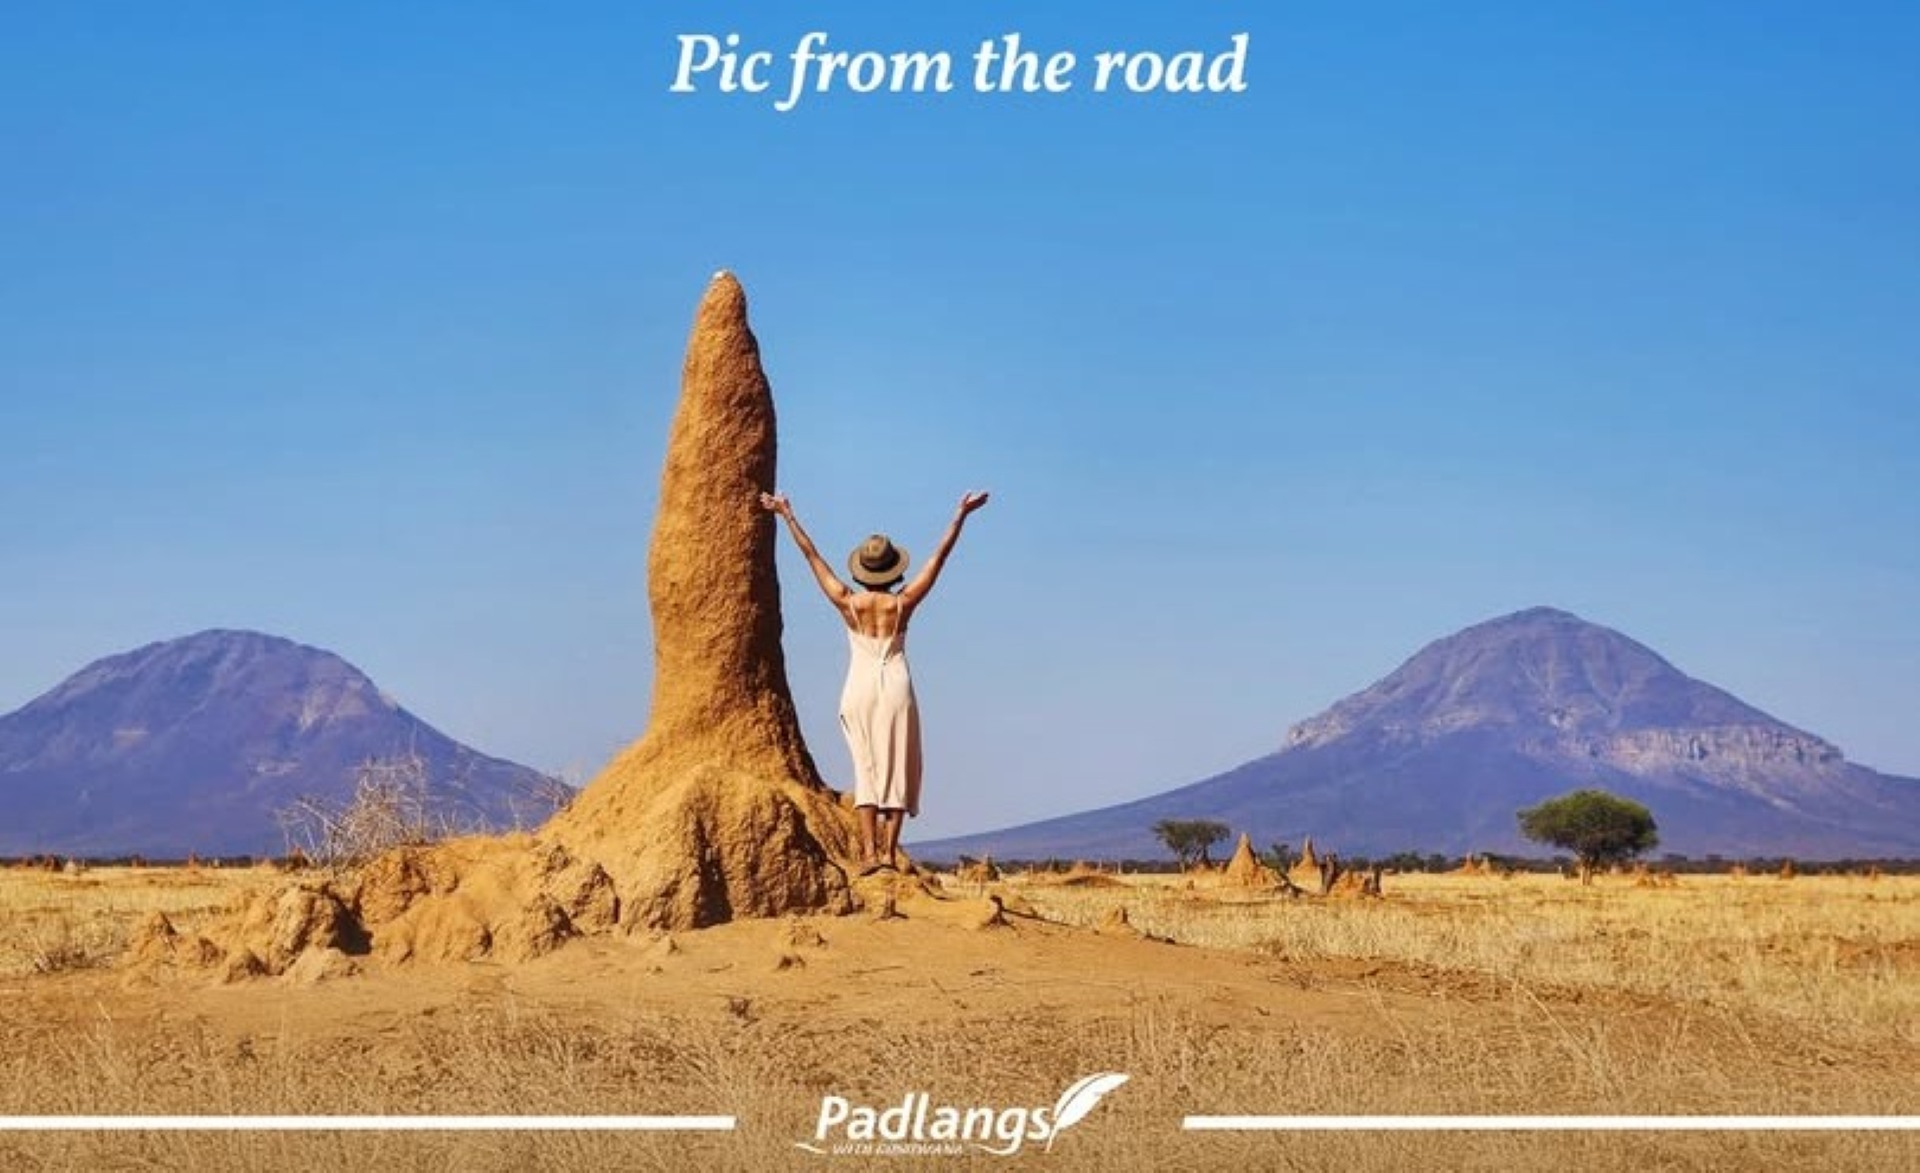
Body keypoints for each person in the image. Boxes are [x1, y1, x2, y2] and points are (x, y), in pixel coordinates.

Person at [759, 489, 990, 875]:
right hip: (896, 684)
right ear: (893, 569)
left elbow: (811, 557)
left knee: (865, 769)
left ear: (861, 570)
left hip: (859, 687)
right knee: (897, 766)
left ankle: (867, 854)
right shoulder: (903, 604)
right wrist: (960, 515)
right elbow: (939, 559)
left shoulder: (848, 602)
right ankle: (888, 852)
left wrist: (787, 514)